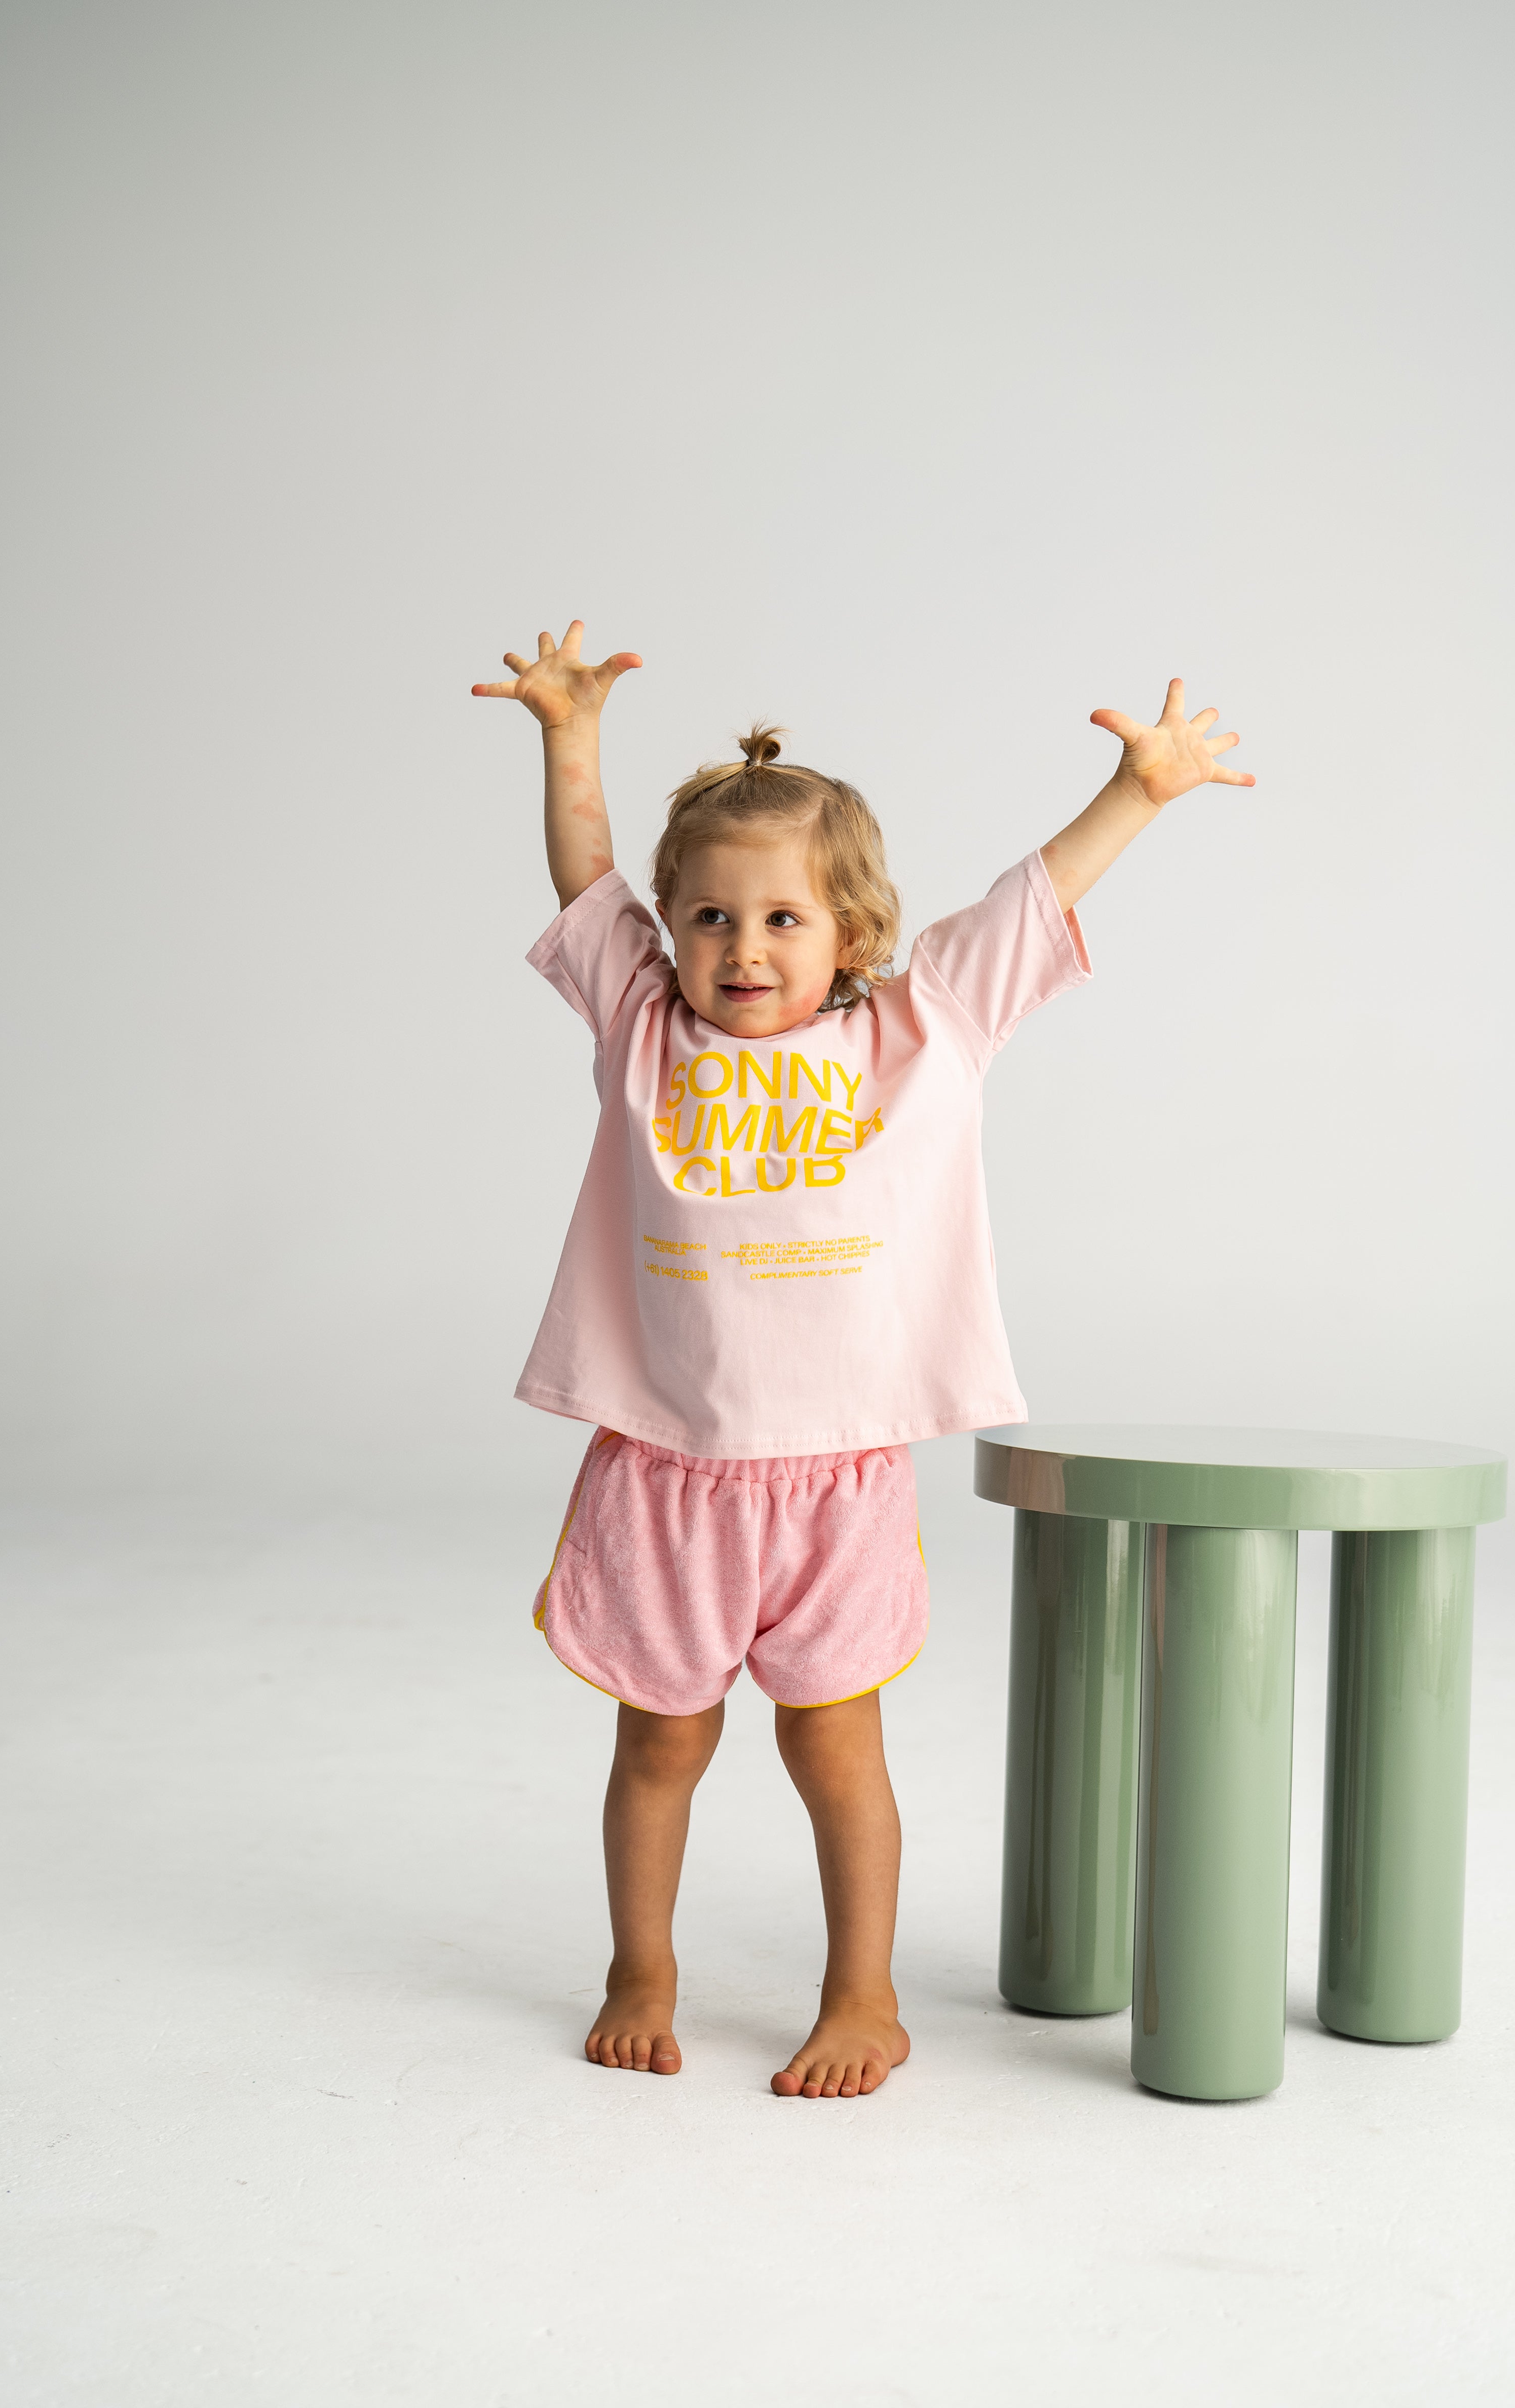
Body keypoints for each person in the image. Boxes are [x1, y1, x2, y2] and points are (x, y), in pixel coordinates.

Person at [472, 623, 1252, 2098]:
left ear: (850, 933)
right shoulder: (644, 1028)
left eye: (779, 922)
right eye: (707, 919)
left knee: (836, 1754)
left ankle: (865, 1995)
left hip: (835, 1475)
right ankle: (642, 1966)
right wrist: (569, 738)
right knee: (662, 1748)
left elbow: (1036, 900)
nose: (740, 950)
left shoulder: (920, 1028)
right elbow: (587, 883)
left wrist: (1138, 792)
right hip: (669, 1464)